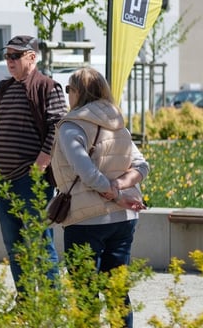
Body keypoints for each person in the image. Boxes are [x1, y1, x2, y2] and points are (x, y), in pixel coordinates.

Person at [52, 67, 149, 328]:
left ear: (78, 92)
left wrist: (113, 193)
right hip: (124, 219)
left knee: (84, 295)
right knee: (118, 293)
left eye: (68, 89)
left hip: (85, 221)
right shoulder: (119, 125)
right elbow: (142, 167)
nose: (67, 94)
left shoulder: (71, 127)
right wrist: (119, 188)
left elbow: (87, 173)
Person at [0, 35, 67, 292]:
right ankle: (24, 302)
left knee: (41, 244)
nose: (9, 61)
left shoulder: (48, 87)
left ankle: (50, 304)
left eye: (15, 56)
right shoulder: (5, 88)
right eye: (7, 56)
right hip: (3, 181)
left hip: (29, 182)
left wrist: (40, 165)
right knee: (14, 245)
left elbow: (57, 128)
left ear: (32, 57)